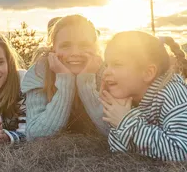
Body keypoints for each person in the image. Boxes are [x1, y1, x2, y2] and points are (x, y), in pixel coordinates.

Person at [100, 31, 187, 161]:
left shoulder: (173, 93)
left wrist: (126, 121)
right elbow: (119, 152)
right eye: (106, 65)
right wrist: (117, 112)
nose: (106, 72)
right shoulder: (131, 96)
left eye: (117, 64)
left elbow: (181, 152)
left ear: (148, 73)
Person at [22, 14, 107, 140]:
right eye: (65, 45)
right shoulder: (39, 72)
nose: (75, 53)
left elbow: (117, 132)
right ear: (53, 48)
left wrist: (86, 83)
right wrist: (65, 82)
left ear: (95, 48)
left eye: (84, 45)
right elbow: (35, 135)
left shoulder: (106, 72)